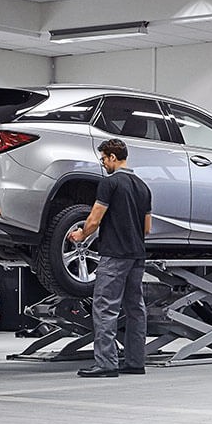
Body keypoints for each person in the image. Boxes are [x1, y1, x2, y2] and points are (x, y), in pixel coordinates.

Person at [68, 138, 152, 378]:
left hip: (114, 255)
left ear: (113, 157)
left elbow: (94, 220)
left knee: (105, 308)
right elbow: (147, 228)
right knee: (135, 309)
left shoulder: (110, 184)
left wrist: (80, 234)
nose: (103, 163)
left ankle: (106, 364)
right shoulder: (143, 187)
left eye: (104, 158)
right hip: (137, 256)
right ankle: (136, 362)